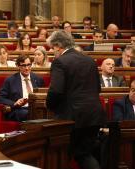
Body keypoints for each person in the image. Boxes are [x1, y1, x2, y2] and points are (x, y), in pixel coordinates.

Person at [46, 30, 105, 169]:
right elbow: (98, 88)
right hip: (94, 115)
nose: (53, 51)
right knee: (84, 154)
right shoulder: (89, 60)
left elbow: (56, 91)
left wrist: (49, 105)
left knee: (61, 155)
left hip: (73, 118)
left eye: (52, 48)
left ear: (59, 46)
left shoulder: (60, 62)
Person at [0, 55, 44, 121]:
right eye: (23, 65)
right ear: (18, 66)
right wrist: (14, 103)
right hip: (19, 110)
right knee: (29, 114)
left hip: (36, 109)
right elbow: (0, 98)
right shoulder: (10, 80)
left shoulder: (38, 79)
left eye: (29, 65)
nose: (27, 68)